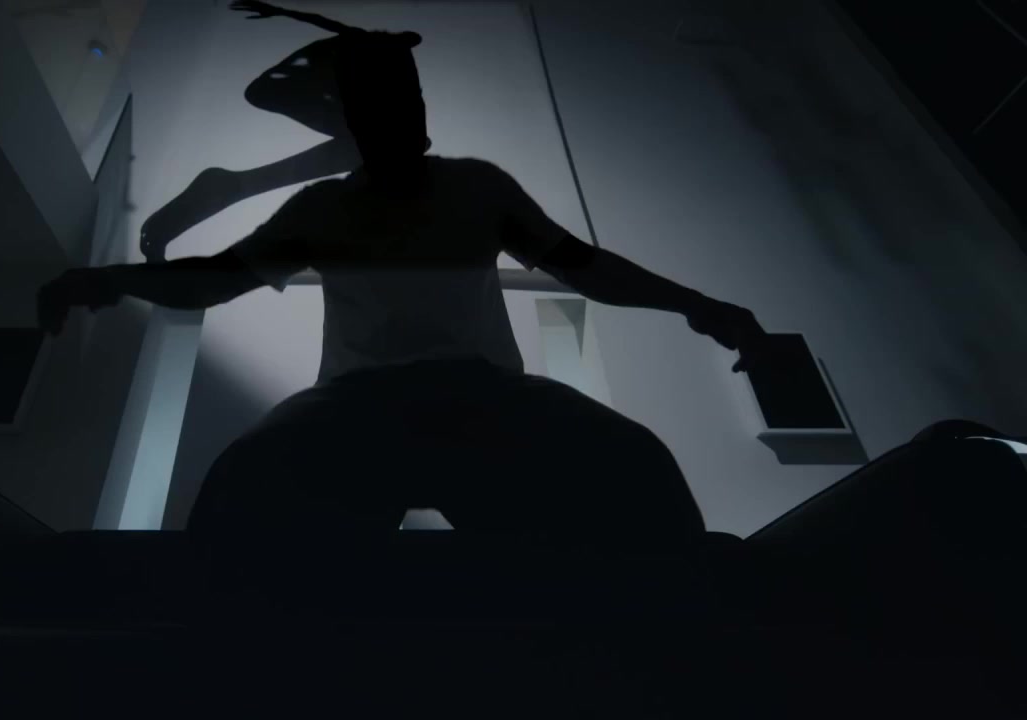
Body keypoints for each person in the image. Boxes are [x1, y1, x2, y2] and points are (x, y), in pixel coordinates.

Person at [38, 16, 771, 547]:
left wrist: (699, 306)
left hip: (483, 396)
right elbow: (212, 283)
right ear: (356, 122)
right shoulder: (324, 208)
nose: (410, 119)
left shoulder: (477, 188)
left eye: (413, 103)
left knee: (634, 470)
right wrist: (111, 279)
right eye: (387, 108)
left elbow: (585, 266)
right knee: (242, 492)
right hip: (359, 404)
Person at [139, 0, 423, 262]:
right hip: (289, 87)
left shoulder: (383, 65)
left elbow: (407, 107)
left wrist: (280, 11)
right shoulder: (367, 53)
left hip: (311, 95)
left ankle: (229, 187)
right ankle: (229, 187)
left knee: (389, 146)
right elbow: (328, 28)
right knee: (393, 145)